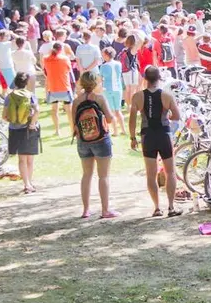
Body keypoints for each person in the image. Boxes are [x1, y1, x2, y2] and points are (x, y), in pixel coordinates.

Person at [128, 66, 182, 218]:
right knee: (170, 171)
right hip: (164, 134)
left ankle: (157, 207)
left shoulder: (137, 96)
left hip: (148, 136)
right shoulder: (167, 95)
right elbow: (177, 116)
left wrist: (132, 137)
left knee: (151, 174)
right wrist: (167, 117)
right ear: (159, 78)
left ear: (145, 78)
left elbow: (132, 119)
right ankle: (171, 207)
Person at [70, 71, 117, 219]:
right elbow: (109, 119)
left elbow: (74, 123)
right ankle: (105, 210)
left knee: (86, 175)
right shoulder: (99, 98)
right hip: (101, 140)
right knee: (103, 176)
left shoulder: (76, 101)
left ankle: (86, 210)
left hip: (83, 141)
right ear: (95, 83)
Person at [4, 73, 41, 194]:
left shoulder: (9, 97)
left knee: (21, 159)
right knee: (30, 159)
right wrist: (32, 124)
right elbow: (37, 111)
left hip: (15, 129)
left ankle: (26, 184)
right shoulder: (31, 95)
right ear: (26, 83)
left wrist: (13, 119)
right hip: (28, 129)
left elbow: (4, 116)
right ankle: (29, 183)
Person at [41, 40, 74, 137]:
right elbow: (68, 70)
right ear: (61, 49)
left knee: (54, 110)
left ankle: (57, 130)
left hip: (53, 87)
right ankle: (72, 130)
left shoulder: (46, 59)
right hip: (64, 86)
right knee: (69, 110)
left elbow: (45, 69)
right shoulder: (65, 59)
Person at [99, 46, 126, 133]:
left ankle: (115, 131)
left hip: (107, 89)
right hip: (118, 89)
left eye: (103, 55)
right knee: (118, 110)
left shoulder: (103, 66)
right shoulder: (119, 64)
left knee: (111, 111)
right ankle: (123, 129)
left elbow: (100, 78)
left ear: (107, 55)